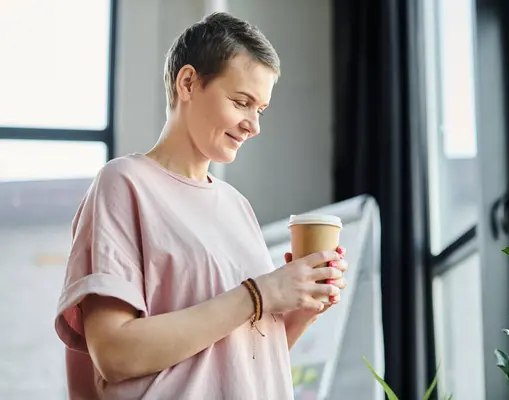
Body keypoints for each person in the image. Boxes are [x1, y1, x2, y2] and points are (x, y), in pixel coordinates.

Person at [54, 11, 349, 400]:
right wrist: (260, 294)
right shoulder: (125, 183)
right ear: (188, 82)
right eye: (242, 102)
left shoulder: (237, 207)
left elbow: (238, 362)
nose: (253, 125)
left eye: (260, 110)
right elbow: (114, 352)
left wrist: (299, 307)